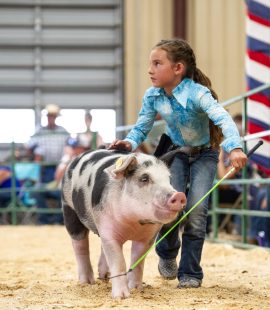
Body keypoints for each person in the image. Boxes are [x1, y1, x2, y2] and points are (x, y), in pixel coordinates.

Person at [108, 38, 247, 288]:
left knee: (197, 211)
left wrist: (235, 147)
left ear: (178, 68)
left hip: (205, 154)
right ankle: (168, 253)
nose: (150, 69)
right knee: (169, 204)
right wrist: (129, 143)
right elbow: (142, 126)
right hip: (176, 153)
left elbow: (224, 119)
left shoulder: (198, 93)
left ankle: (191, 273)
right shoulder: (153, 96)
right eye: (150, 63)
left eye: (157, 63)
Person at [26, 104, 69, 183]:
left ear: (56, 117)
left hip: (60, 166)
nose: (51, 118)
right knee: (46, 187)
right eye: (49, 116)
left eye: (53, 116)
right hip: (45, 167)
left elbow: (70, 145)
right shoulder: (40, 131)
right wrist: (36, 155)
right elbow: (29, 146)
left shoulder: (62, 131)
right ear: (47, 117)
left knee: (59, 187)